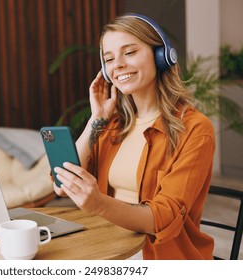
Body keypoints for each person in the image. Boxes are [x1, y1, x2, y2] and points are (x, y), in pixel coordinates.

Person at [52, 14, 216, 260]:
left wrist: (99, 204)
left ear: (161, 56)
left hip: (158, 256)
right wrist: (95, 120)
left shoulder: (195, 129)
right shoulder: (112, 124)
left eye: (129, 53)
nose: (117, 64)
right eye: (109, 59)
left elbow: (163, 217)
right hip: (106, 246)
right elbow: (61, 185)